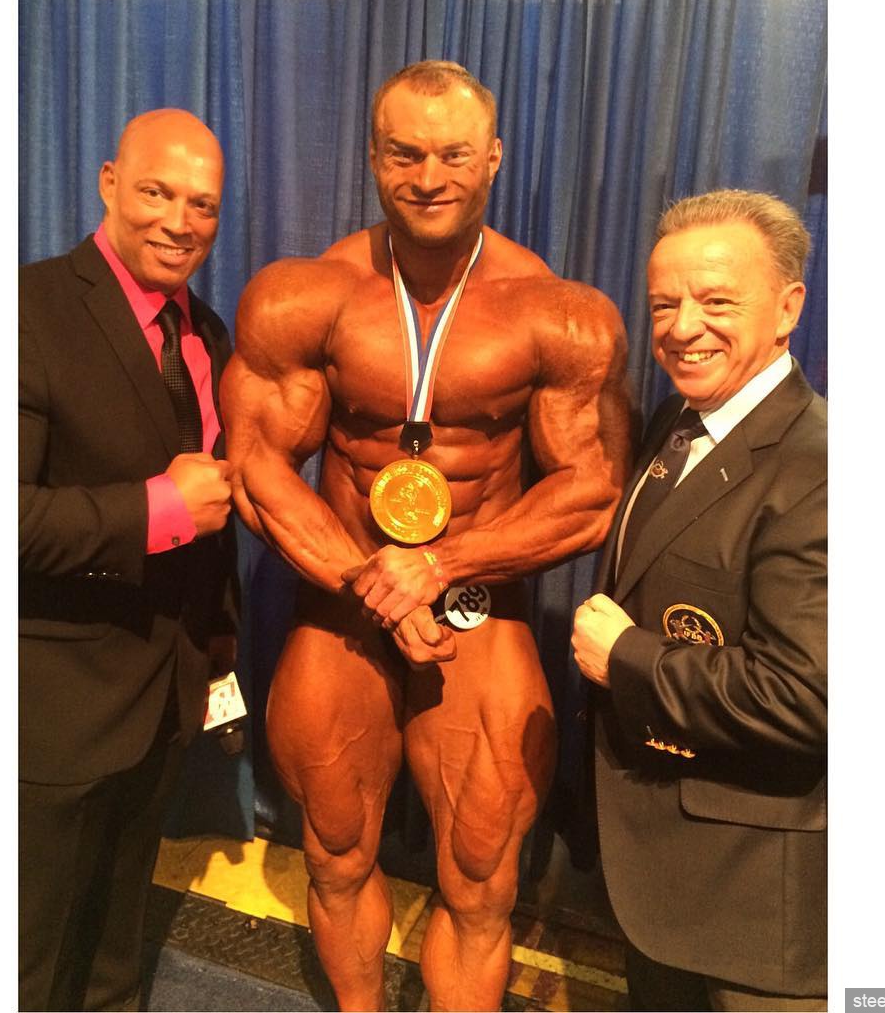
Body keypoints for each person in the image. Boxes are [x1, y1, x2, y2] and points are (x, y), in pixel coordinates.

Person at [222, 61, 630, 1011]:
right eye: (405, 153)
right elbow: (257, 466)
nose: (429, 175)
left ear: (493, 158)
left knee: (482, 876)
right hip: (344, 600)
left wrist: (439, 564)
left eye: (453, 153)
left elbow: (591, 491)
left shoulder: (556, 313)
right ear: (374, 158)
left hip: (476, 604)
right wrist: (371, 581)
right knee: (333, 849)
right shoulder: (304, 295)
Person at [572, 189, 827, 1011]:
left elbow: (807, 698)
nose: (684, 328)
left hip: (752, 915)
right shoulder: (677, 424)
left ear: (788, 307)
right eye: (663, 304)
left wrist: (626, 658)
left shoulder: (823, 469)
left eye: (717, 302)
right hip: (665, 882)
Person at [19, 108, 238, 1011]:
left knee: (114, 953)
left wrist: (218, 642)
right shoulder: (24, 310)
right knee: (24, 959)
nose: (180, 222)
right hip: (49, 707)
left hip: (164, 698)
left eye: (203, 204)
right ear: (109, 183)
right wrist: (157, 510)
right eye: (157, 192)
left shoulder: (208, 332)